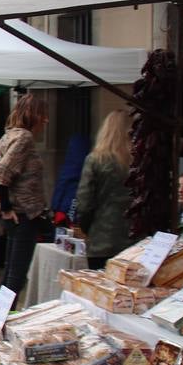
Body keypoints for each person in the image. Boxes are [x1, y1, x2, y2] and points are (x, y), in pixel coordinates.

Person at [0, 94, 50, 300]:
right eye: (43, 115)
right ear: (34, 115)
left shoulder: (8, 136)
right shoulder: (24, 138)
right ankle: (2, 322)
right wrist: (6, 207)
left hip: (17, 213)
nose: (46, 120)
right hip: (23, 213)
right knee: (16, 275)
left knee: (11, 271)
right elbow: (1, 172)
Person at [74, 110, 133, 270]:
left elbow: (84, 203)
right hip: (134, 242)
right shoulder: (137, 161)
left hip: (101, 240)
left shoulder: (95, 160)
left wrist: (87, 228)